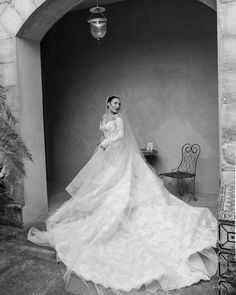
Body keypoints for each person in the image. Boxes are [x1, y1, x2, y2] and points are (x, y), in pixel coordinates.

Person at [28, 96, 218, 295]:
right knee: (102, 188)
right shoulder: (104, 118)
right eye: (114, 103)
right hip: (108, 155)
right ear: (108, 104)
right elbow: (103, 136)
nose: (118, 106)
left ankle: (124, 214)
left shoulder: (118, 121)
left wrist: (106, 142)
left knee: (125, 187)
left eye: (119, 103)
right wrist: (102, 145)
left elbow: (119, 137)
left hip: (119, 156)